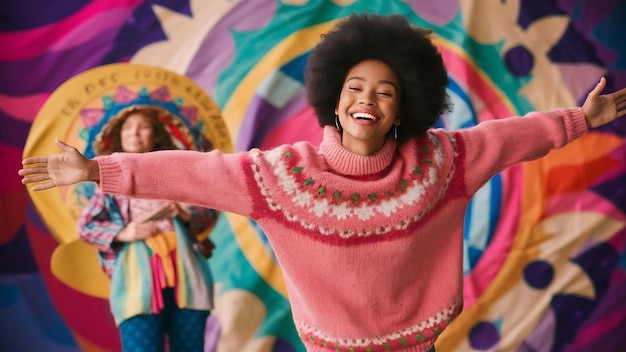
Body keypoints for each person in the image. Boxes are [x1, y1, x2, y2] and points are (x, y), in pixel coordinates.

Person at [19, 14, 626, 352]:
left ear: (405, 108)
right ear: (334, 100)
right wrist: (98, 171)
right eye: (355, 88)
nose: (368, 100)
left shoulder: (444, 162)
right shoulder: (280, 177)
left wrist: (579, 120)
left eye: (386, 92)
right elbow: (197, 171)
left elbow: (512, 135)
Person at [76, 106, 218, 352]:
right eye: (128, 128)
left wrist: (184, 214)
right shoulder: (109, 182)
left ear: (156, 134)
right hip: (137, 279)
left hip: (186, 272)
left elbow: (209, 213)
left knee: (190, 344)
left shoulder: (177, 174)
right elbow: (86, 225)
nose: (135, 133)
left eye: (144, 127)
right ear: (119, 136)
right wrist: (123, 233)